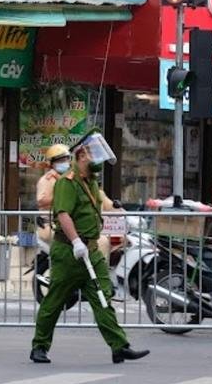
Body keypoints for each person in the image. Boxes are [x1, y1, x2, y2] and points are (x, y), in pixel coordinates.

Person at [30, 131, 148, 365]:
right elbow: (63, 214)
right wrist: (75, 242)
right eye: (94, 156)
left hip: (91, 251)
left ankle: (119, 346)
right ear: (81, 154)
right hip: (69, 252)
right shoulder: (67, 182)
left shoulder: (91, 182)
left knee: (103, 298)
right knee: (54, 301)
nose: (98, 162)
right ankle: (39, 347)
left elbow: (105, 204)